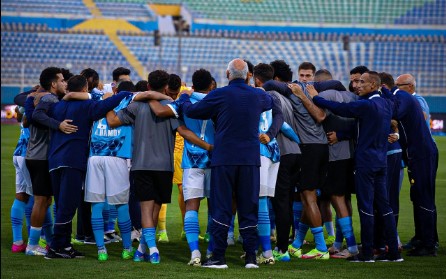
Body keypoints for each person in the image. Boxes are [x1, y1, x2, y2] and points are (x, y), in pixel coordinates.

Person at [176, 58, 275, 269]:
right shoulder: (258, 95)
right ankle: (250, 257)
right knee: (249, 207)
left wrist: (184, 97)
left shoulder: (219, 94)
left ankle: (218, 257)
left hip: (225, 159)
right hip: (250, 160)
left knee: (221, 207)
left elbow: (192, 111)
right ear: (248, 75)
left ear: (227, 75)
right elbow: (270, 102)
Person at [106, 70, 210, 264]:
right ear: (165, 87)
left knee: (146, 210)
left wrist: (105, 103)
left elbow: (112, 121)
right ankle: (147, 248)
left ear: (147, 86)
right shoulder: (171, 107)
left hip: (142, 164)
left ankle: (148, 249)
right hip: (164, 166)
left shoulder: (136, 106)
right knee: (154, 209)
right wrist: (207, 146)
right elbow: (184, 131)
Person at [31, 75, 134, 259]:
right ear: (85, 88)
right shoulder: (88, 106)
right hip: (73, 161)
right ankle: (55, 247)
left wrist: (56, 122)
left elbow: (35, 112)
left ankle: (64, 245)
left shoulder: (57, 106)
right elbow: (108, 103)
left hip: (54, 160)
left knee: (63, 204)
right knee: (68, 205)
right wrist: (125, 92)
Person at [307, 71, 403, 262]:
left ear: (373, 85)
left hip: (365, 163)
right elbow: (362, 127)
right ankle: (394, 252)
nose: (357, 85)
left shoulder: (366, 105)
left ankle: (366, 254)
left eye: (362, 82)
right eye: (357, 81)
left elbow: (340, 109)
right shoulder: (386, 103)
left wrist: (315, 97)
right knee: (384, 207)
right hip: (380, 162)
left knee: (366, 207)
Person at [301, 84, 359, 259]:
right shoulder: (355, 98)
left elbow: (320, 116)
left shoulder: (326, 95)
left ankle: (352, 246)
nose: (356, 85)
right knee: (343, 198)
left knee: (336, 198)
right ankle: (339, 243)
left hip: (335, 156)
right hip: (350, 155)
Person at [24, 67, 76, 256]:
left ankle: (42, 240)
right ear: (54, 84)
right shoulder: (48, 99)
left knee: (46, 199)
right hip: (40, 156)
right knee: (41, 200)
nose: (65, 83)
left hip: (40, 155)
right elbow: (35, 116)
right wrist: (58, 125)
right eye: (62, 80)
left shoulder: (45, 97)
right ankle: (31, 245)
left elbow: (27, 119)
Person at [388, 75, 438, 257]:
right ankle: (424, 238)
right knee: (419, 196)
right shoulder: (407, 99)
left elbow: (421, 118)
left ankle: (429, 243)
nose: (396, 89)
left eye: (398, 86)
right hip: (416, 152)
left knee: (424, 196)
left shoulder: (416, 100)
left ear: (409, 87)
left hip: (422, 153)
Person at [10, 103, 34, 253]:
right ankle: (36, 240)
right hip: (30, 156)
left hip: (18, 153)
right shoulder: (40, 106)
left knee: (21, 196)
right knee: (39, 197)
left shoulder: (26, 106)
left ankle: (17, 241)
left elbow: (18, 112)